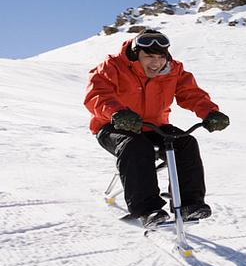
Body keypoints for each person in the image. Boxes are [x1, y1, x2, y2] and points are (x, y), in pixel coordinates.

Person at [84, 29, 230, 228]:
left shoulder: (173, 70)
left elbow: (191, 94)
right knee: (135, 145)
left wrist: (210, 113)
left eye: (161, 57)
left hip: (155, 126)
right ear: (136, 55)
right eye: (149, 57)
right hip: (113, 125)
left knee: (185, 142)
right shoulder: (112, 67)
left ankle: (190, 204)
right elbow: (97, 95)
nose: (156, 63)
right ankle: (147, 210)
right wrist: (116, 113)